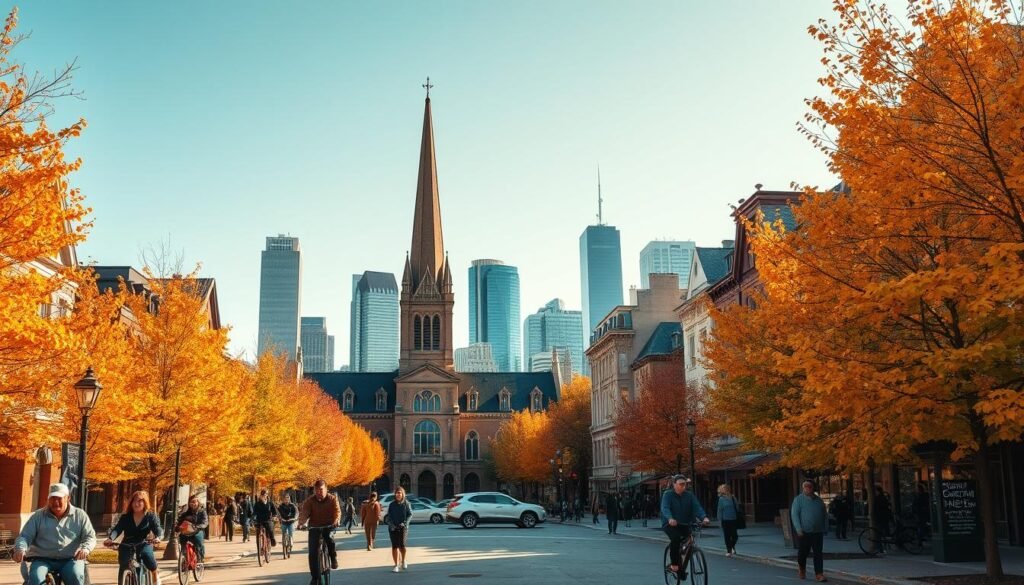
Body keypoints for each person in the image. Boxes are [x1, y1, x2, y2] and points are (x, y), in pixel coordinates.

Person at [14, 483, 96, 585]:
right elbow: (24, 536)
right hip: (42, 559)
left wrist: (85, 548)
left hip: (70, 559)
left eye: (59, 498)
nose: (55, 502)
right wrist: (21, 548)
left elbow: (90, 536)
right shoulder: (38, 516)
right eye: (52, 498)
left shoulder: (80, 515)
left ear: (68, 498)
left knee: (76, 576)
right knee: (36, 579)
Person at [105, 490, 162, 585]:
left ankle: (155, 573)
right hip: (127, 544)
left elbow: (157, 528)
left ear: (145, 502)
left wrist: (158, 537)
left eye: (140, 501)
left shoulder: (150, 516)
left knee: (148, 558)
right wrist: (110, 538)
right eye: (134, 501)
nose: (136, 503)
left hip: (143, 543)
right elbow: (117, 529)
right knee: (123, 565)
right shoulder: (125, 517)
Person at [661, 475, 710, 579]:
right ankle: (674, 564)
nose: (684, 486)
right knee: (675, 539)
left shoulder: (689, 495)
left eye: (685, 484)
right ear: (674, 484)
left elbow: (697, 507)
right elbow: (665, 508)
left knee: (689, 541)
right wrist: (670, 518)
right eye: (681, 484)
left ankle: (682, 560)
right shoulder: (668, 494)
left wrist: (703, 517)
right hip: (670, 524)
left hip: (685, 523)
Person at [298, 479, 341, 581]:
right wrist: (301, 523)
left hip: (329, 525)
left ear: (326, 489)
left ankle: (333, 557)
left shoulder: (332, 499)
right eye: (316, 490)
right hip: (314, 527)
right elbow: (305, 512)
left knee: (330, 539)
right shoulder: (310, 501)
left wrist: (336, 521)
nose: (318, 492)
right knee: (312, 552)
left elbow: (337, 511)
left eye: (321, 490)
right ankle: (315, 577)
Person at [791, 480, 828, 582]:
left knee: (818, 553)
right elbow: (795, 515)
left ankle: (819, 574)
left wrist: (825, 528)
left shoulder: (819, 501)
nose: (807, 488)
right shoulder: (798, 500)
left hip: (817, 531)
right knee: (803, 553)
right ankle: (802, 567)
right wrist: (798, 528)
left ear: (813, 488)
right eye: (805, 486)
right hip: (804, 532)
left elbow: (824, 515)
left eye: (809, 486)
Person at [385, 487, 413, 573]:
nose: (398, 494)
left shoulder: (406, 504)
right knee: (394, 546)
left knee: (402, 546)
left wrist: (405, 524)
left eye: (400, 493)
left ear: (402, 494)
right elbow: (388, 517)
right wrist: (391, 525)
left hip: (403, 528)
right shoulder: (392, 504)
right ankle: (396, 565)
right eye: (397, 493)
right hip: (393, 528)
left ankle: (403, 560)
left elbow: (410, 514)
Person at [177, 495, 209, 562]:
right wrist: (177, 527)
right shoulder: (186, 513)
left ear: (198, 503)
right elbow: (180, 521)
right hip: (187, 531)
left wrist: (198, 526)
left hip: (198, 530)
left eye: (194, 502)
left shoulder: (202, 512)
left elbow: (205, 522)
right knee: (181, 538)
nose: (193, 504)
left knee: (198, 540)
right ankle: (184, 559)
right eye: (191, 502)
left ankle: (200, 558)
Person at [717, 484, 740, 557]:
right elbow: (719, 510)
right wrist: (720, 520)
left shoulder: (733, 497)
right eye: (722, 489)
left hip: (733, 519)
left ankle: (732, 546)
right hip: (725, 520)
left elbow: (737, 507)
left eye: (724, 488)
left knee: (735, 535)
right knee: (727, 536)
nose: (723, 490)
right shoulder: (721, 499)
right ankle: (729, 551)